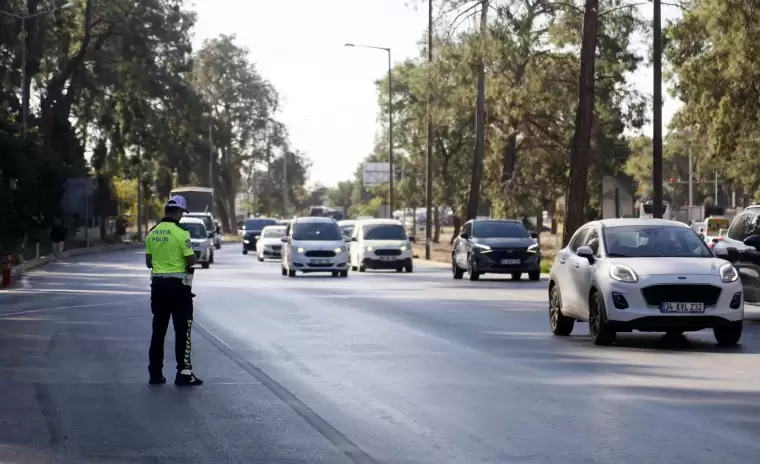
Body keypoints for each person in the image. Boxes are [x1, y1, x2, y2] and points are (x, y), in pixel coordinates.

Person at [145, 195, 203, 386]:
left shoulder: (152, 233)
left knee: (158, 331)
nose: (181, 217)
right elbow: (191, 260)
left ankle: (155, 374)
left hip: (158, 287)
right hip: (179, 288)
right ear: (178, 212)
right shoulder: (181, 233)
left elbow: (148, 263)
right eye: (181, 213)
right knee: (183, 330)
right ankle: (184, 374)